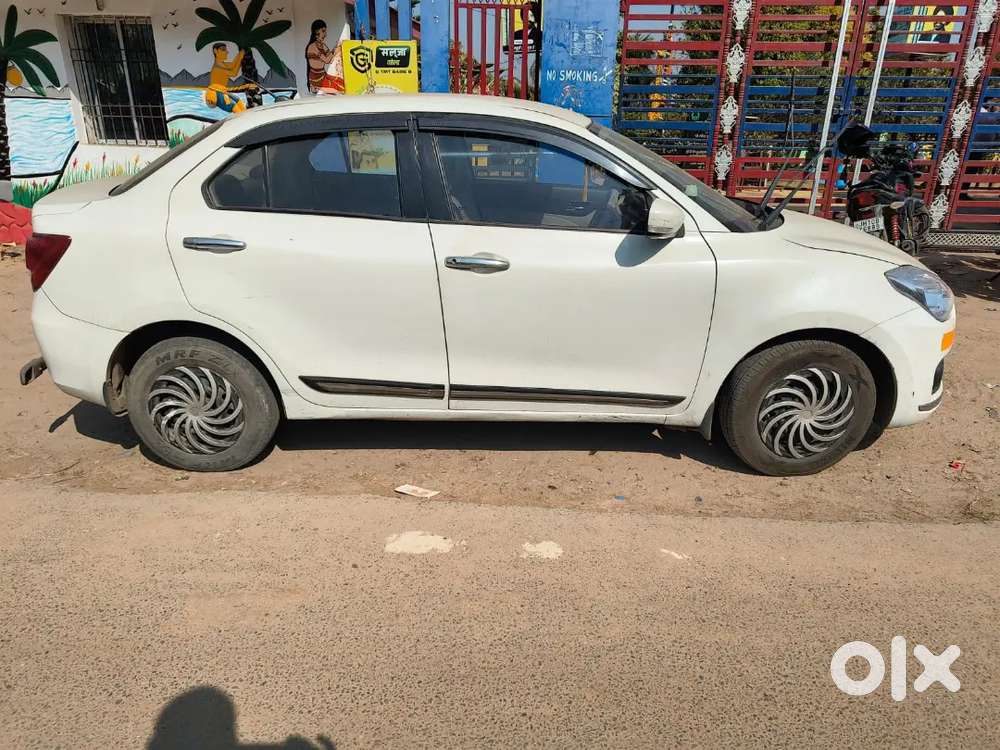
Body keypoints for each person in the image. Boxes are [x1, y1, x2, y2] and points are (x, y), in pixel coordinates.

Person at [204, 43, 254, 113]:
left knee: (238, 100)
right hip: (216, 93)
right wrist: (241, 55)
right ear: (215, 51)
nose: (227, 52)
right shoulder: (217, 67)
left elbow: (233, 64)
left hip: (222, 91)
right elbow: (234, 73)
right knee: (235, 107)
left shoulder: (223, 65)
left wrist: (240, 54)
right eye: (223, 50)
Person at [305, 19, 345, 95]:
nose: (325, 34)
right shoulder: (312, 47)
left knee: (342, 83)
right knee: (339, 89)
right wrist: (335, 51)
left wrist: (335, 48)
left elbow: (330, 57)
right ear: (316, 32)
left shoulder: (322, 45)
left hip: (323, 76)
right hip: (317, 80)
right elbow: (327, 60)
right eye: (323, 31)